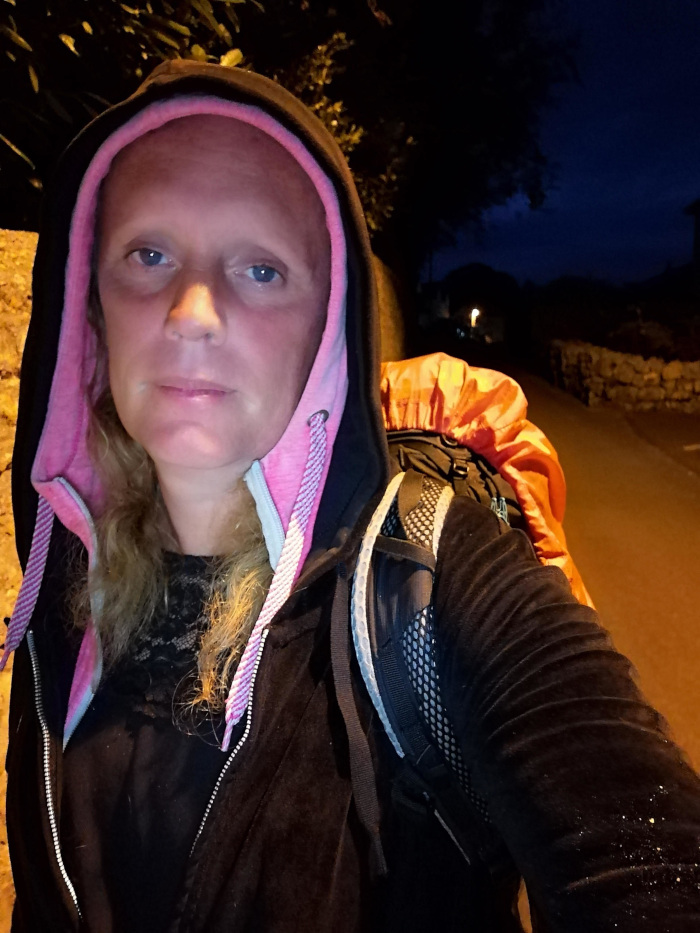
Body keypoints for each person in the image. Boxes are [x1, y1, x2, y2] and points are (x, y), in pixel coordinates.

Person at [5, 60, 700, 933]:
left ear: (329, 328)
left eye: (260, 269)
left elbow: (646, 858)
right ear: (91, 309)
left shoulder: (432, 579)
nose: (190, 310)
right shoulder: (66, 585)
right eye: (147, 253)